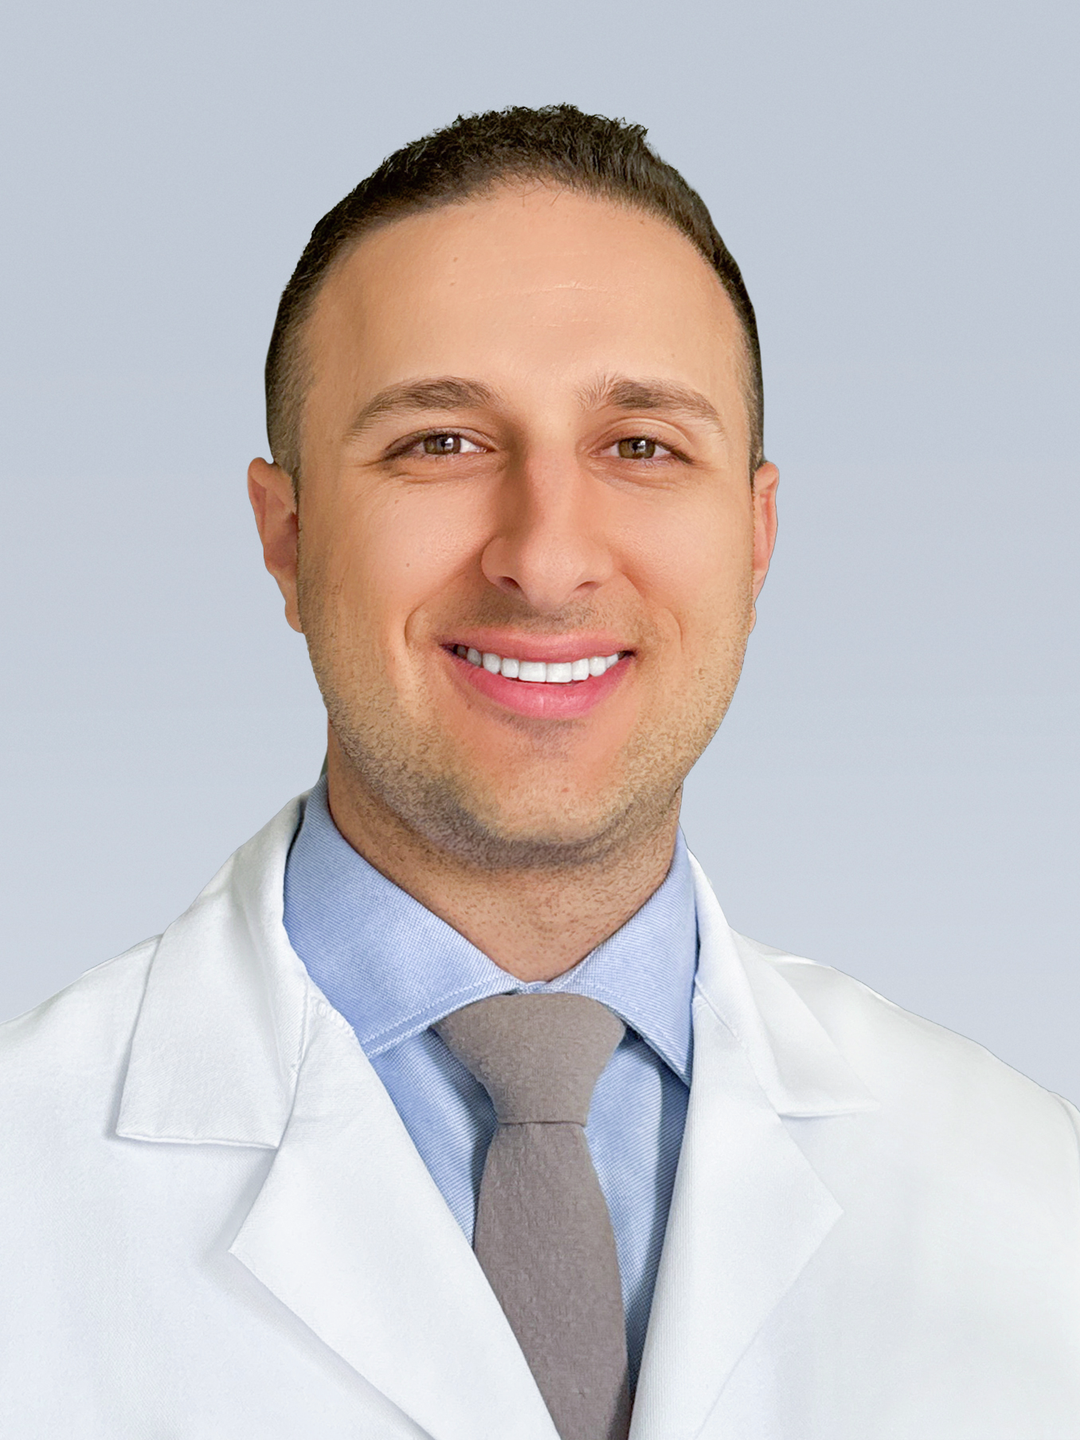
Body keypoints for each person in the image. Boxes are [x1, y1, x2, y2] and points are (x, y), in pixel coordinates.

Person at [1, 105, 1077, 1440]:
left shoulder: (1034, 1201)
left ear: (756, 536)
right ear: (286, 537)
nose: (547, 558)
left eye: (642, 446)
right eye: (439, 443)